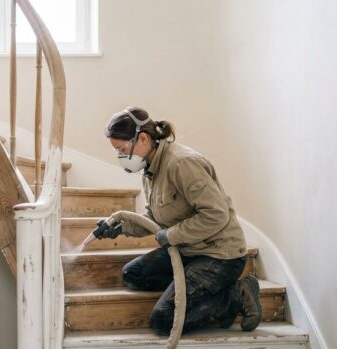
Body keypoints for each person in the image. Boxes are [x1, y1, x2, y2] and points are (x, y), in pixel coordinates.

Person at [93, 107, 262, 334]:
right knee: (133, 275)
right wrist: (120, 227)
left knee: (163, 320)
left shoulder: (182, 164)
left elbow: (215, 215)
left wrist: (170, 235)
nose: (122, 157)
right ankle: (195, 289)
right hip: (187, 249)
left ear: (142, 138)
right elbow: (154, 218)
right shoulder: (150, 169)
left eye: (123, 149)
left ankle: (235, 296)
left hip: (219, 256)